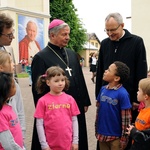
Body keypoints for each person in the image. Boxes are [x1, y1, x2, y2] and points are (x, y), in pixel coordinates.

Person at [31, 19, 91, 150]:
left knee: (76, 136)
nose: (68, 37)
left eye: (68, 34)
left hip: (75, 105)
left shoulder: (71, 54)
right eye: (64, 34)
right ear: (52, 35)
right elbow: (38, 88)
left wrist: (85, 100)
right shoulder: (40, 57)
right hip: (54, 110)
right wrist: (43, 110)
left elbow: (80, 78)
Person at [95, 12, 147, 150]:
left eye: (113, 30)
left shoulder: (136, 42)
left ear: (122, 26)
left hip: (129, 99)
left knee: (125, 133)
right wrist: (97, 96)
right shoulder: (105, 43)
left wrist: (138, 99)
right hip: (107, 97)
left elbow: (141, 69)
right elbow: (100, 69)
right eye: (107, 30)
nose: (110, 34)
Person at [34, 66, 80, 150]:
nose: (60, 83)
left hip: (68, 144)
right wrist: (44, 144)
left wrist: (75, 141)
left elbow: (74, 120)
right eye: (56, 81)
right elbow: (39, 124)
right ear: (48, 82)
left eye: (62, 80)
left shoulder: (70, 99)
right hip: (50, 145)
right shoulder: (42, 101)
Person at [0, 13, 26, 144]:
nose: (13, 37)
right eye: (9, 35)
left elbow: (19, 110)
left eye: (13, 33)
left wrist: (22, 137)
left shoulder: (7, 50)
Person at [95, 61, 132, 150]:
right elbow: (98, 111)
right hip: (102, 135)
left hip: (116, 138)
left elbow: (126, 119)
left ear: (116, 78)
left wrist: (124, 139)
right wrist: (97, 129)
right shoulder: (103, 89)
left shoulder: (123, 94)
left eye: (109, 70)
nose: (105, 71)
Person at [0, 51, 26, 146]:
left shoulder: (15, 85)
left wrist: (22, 135)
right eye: (10, 62)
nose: (13, 64)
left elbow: (20, 111)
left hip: (17, 139)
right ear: (1, 67)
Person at [126, 78, 150, 150]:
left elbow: (147, 138)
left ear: (146, 96)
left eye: (139, 90)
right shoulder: (143, 110)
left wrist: (133, 132)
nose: (137, 92)